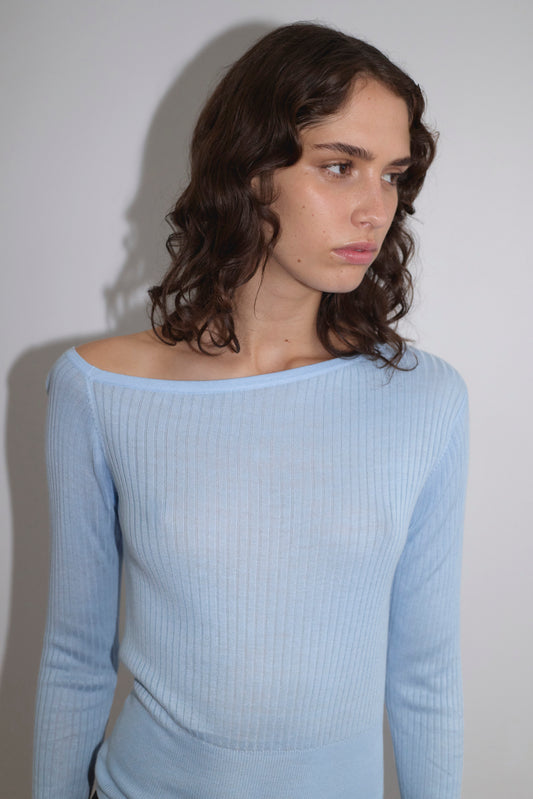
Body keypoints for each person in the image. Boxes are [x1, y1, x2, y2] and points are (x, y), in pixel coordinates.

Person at [33, 21, 469, 799]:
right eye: (340, 167)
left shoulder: (424, 398)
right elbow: (73, 652)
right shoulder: (100, 389)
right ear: (248, 171)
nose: (375, 208)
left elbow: (424, 671)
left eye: (392, 175)